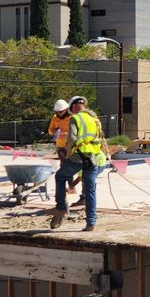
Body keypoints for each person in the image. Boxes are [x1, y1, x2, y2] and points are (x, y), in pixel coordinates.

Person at [49, 96, 108, 232]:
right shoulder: (95, 119)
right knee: (90, 190)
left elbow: (72, 139)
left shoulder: (75, 118)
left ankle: (61, 208)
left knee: (60, 177)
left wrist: (68, 153)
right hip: (93, 158)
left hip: (79, 157)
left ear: (74, 107)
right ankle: (91, 223)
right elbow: (100, 137)